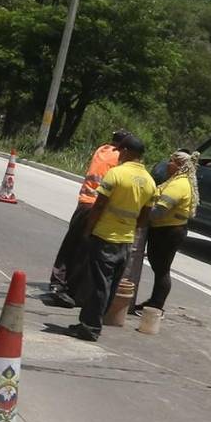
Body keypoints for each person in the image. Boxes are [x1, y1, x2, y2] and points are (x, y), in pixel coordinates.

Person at [69, 135, 156, 341]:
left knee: (99, 284)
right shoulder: (150, 182)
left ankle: (90, 327)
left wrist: (88, 230)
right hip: (126, 241)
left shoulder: (116, 174)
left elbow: (99, 205)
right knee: (110, 284)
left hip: (105, 236)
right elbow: (145, 218)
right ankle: (91, 322)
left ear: (125, 151)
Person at [47, 129, 131, 308]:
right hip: (95, 206)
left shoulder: (102, 150)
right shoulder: (118, 160)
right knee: (84, 249)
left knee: (70, 245)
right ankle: (69, 289)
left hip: (83, 203)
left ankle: (58, 283)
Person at [134, 150, 200, 317]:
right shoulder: (176, 180)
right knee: (159, 267)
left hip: (169, 231)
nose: (167, 163)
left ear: (179, 165)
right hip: (166, 229)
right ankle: (154, 303)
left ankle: (156, 306)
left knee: (162, 269)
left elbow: (159, 211)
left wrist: (141, 217)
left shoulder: (179, 185)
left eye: (171, 161)